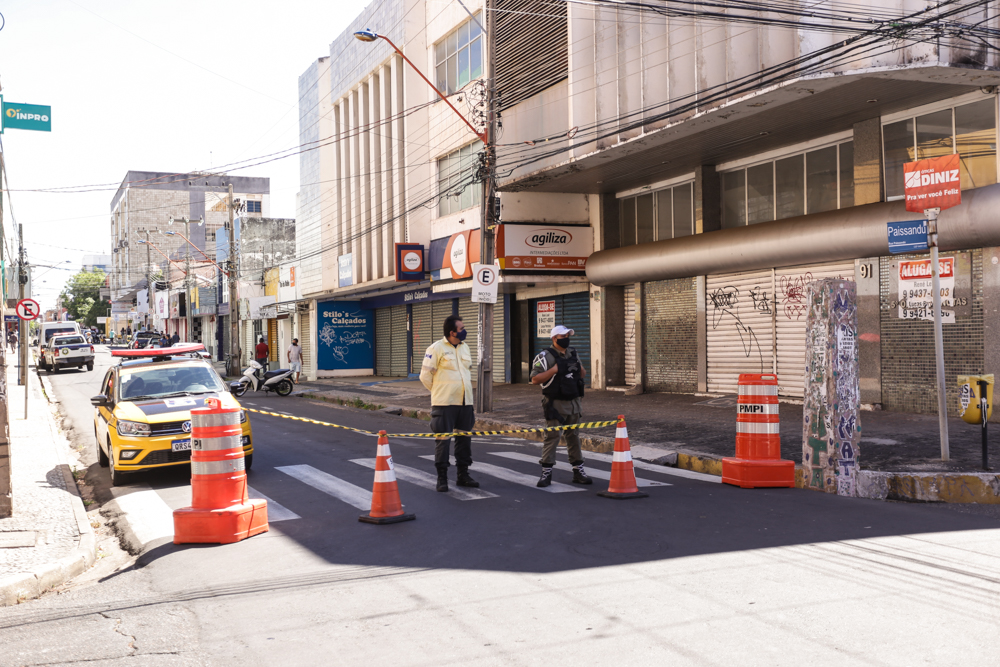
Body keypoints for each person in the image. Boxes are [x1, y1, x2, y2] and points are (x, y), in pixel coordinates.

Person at [419, 314, 479, 493]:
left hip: (465, 402)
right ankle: (442, 478)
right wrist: (439, 391)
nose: (464, 331)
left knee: (464, 440)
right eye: (461, 328)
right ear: (452, 332)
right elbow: (425, 376)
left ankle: (463, 475)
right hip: (444, 403)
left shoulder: (465, 347)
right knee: (443, 441)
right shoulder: (436, 348)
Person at [529, 325, 593, 487]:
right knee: (552, 437)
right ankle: (546, 473)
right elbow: (535, 379)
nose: (566, 338)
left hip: (574, 402)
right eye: (563, 336)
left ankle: (578, 471)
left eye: (567, 336)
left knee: (574, 437)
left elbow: (583, 373)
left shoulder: (573, 353)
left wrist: (576, 367)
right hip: (555, 404)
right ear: (554, 338)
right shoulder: (545, 356)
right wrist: (556, 369)